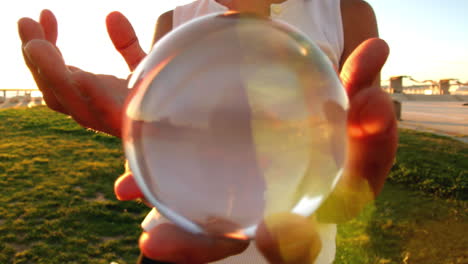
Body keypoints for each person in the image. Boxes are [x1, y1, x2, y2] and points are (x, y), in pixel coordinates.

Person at [18, 0, 398, 263]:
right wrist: (153, 147)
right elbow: (157, 132)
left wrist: (347, 188)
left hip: (296, 246)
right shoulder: (173, 20)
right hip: (175, 241)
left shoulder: (345, 11)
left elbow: (355, 141)